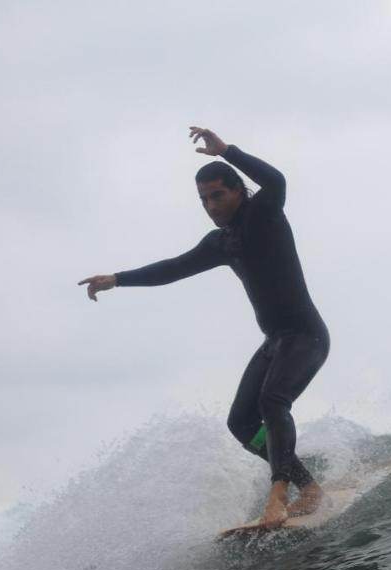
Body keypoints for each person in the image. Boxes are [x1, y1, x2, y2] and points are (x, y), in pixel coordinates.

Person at [78, 127, 330, 528]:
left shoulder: (264, 213)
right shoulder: (221, 243)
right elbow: (172, 269)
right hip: (275, 343)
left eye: (218, 195)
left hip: (306, 336)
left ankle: (279, 493)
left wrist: (228, 151)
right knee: (242, 424)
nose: (211, 205)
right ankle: (308, 485)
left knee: (273, 401)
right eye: (204, 199)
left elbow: (277, 180)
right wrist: (117, 278)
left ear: (237, 191)